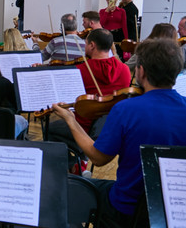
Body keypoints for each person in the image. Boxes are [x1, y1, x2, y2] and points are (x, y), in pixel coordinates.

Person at [52, 38, 186, 228]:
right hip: (170, 207)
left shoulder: (127, 109)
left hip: (129, 205)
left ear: (141, 70)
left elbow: (98, 158)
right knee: (104, 190)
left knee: (78, 187)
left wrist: (71, 121)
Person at [47, 29, 132, 170]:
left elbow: (69, 99)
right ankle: (82, 161)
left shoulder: (80, 70)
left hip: (83, 126)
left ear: (92, 45)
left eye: (85, 43)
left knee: (51, 128)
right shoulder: (124, 69)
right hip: (109, 128)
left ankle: (75, 163)